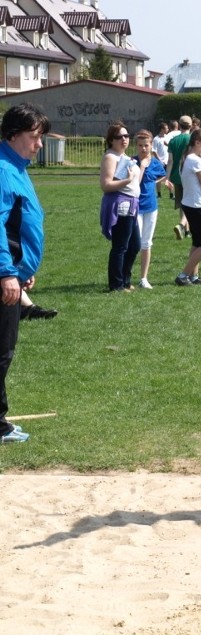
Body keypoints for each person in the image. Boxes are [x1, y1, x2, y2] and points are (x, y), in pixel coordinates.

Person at [0, 104, 51, 443]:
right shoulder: (4, 169)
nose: (39, 144)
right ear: (13, 135)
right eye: (34, 137)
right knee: (1, 352)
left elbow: (19, 223)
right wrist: (6, 273)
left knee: (3, 351)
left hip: (11, 274)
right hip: (2, 277)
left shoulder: (17, 166)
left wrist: (21, 270)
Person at [99, 122, 141, 293]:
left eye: (126, 135)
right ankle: (116, 284)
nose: (124, 139)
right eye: (119, 137)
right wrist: (127, 181)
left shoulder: (127, 158)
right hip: (121, 205)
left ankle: (125, 280)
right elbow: (106, 185)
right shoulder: (111, 157)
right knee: (121, 246)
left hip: (132, 204)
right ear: (111, 140)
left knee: (135, 245)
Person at [174, 128, 201, 286]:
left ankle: (194, 276)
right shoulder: (194, 160)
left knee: (197, 242)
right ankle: (183, 275)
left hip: (189, 204)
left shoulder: (188, 157)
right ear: (197, 142)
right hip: (197, 205)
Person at [133, 129, 167, 289]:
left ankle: (143, 278)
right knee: (134, 242)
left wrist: (159, 181)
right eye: (140, 145)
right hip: (135, 207)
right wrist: (142, 167)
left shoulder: (155, 162)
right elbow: (132, 183)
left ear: (151, 145)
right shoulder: (132, 162)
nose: (143, 148)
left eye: (146, 145)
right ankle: (125, 275)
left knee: (147, 243)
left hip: (151, 207)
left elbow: (162, 174)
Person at [166, 115, 192, 238]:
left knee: (182, 203)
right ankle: (182, 225)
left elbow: (170, 161)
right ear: (191, 126)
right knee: (190, 202)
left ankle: (186, 231)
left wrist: (167, 177)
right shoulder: (192, 139)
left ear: (179, 126)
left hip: (176, 176)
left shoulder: (173, 141)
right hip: (190, 175)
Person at [152, 122, 170, 198]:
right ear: (162, 129)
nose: (168, 129)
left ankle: (171, 194)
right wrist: (159, 160)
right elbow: (154, 151)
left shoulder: (167, 137)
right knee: (159, 178)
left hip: (168, 161)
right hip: (160, 162)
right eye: (166, 128)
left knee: (169, 177)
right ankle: (159, 194)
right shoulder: (156, 139)